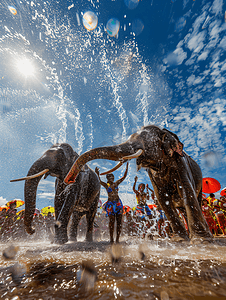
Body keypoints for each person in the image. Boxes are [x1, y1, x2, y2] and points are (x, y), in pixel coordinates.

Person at [95, 162, 128, 243]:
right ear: (107, 178)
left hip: (118, 204)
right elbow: (99, 181)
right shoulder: (106, 185)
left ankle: (117, 239)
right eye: (110, 177)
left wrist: (126, 168)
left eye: (112, 177)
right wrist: (97, 174)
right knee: (111, 222)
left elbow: (124, 177)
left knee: (119, 222)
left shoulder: (116, 183)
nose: (112, 178)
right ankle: (111, 239)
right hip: (110, 204)